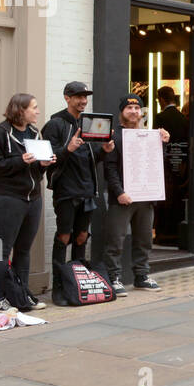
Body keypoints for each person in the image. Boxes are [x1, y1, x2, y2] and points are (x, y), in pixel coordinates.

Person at [42, 81, 115, 306]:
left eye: (85, 97)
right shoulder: (55, 124)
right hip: (66, 190)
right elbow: (48, 158)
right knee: (64, 236)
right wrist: (68, 148)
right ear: (67, 97)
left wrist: (104, 151)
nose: (83, 100)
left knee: (82, 236)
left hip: (87, 190)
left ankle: (78, 286)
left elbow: (90, 157)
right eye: (78, 96)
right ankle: (59, 288)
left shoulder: (88, 123)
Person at [0, 93, 53, 312]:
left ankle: (21, 296)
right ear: (21, 110)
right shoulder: (1, 132)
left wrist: (43, 165)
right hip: (9, 199)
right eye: (34, 107)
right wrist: (20, 160)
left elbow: (35, 172)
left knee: (24, 250)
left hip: (33, 199)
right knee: (1, 250)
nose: (38, 111)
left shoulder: (34, 133)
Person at [102, 94, 169, 295]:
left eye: (137, 108)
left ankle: (141, 276)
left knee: (144, 239)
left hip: (145, 197)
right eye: (129, 108)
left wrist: (163, 143)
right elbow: (110, 169)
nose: (133, 111)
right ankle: (114, 278)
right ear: (122, 112)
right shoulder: (114, 136)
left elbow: (156, 163)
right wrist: (119, 192)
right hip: (122, 199)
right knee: (115, 240)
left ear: (142, 112)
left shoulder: (149, 135)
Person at [153, 85, 189, 242]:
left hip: (165, 164)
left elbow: (155, 142)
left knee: (165, 199)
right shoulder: (183, 118)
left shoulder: (160, 117)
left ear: (161, 99)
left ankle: (163, 233)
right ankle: (175, 232)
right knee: (177, 199)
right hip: (181, 164)